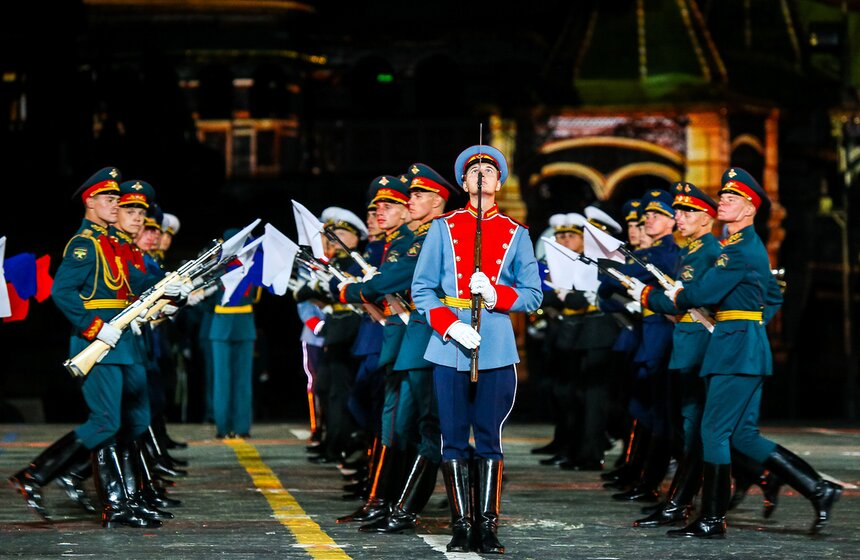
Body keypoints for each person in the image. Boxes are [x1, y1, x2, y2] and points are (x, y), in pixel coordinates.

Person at [659, 168, 842, 538]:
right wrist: (751, 324)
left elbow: (703, 294)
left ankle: (712, 518)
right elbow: (766, 295)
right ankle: (819, 489)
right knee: (741, 435)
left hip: (735, 347)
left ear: (749, 208)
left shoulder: (739, 249)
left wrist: (681, 295)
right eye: (723, 196)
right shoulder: (737, 246)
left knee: (713, 432)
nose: (722, 201)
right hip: (740, 342)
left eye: (731, 198)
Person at [9, 168, 181, 528]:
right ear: (90, 201)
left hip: (123, 341)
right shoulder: (84, 244)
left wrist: (170, 287)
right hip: (97, 341)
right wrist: (94, 328)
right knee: (106, 421)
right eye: (110, 199)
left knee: (134, 421)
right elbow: (62, 291)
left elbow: (135, 281)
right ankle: (36, 477)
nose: (116, 205)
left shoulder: (111, 242)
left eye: (118, 200)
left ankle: (128, 499)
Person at [412, 145, 542, 554]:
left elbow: (533, 295)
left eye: (490, 170)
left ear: (499, 182)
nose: (482, 176)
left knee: (489, 437)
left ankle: (487, 525)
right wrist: (449, 323)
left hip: (496, 344)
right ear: (465, 183)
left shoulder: (517, 234)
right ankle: (461, 524)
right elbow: (422, 289)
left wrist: (496, 294)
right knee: (452, 438)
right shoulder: (442, 228)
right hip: (450, 343)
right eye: (475, 172)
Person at [359, 162, 454, 534]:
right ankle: (392, 501)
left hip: (434, 335)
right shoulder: (418, 236)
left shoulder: (437, 235)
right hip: (414, 335)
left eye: (416, 194)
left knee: (427, 426)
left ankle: (402, 505)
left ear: (437, 199)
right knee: (405, 424)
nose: (409, 199)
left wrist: (361, 289)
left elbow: (408, 277)